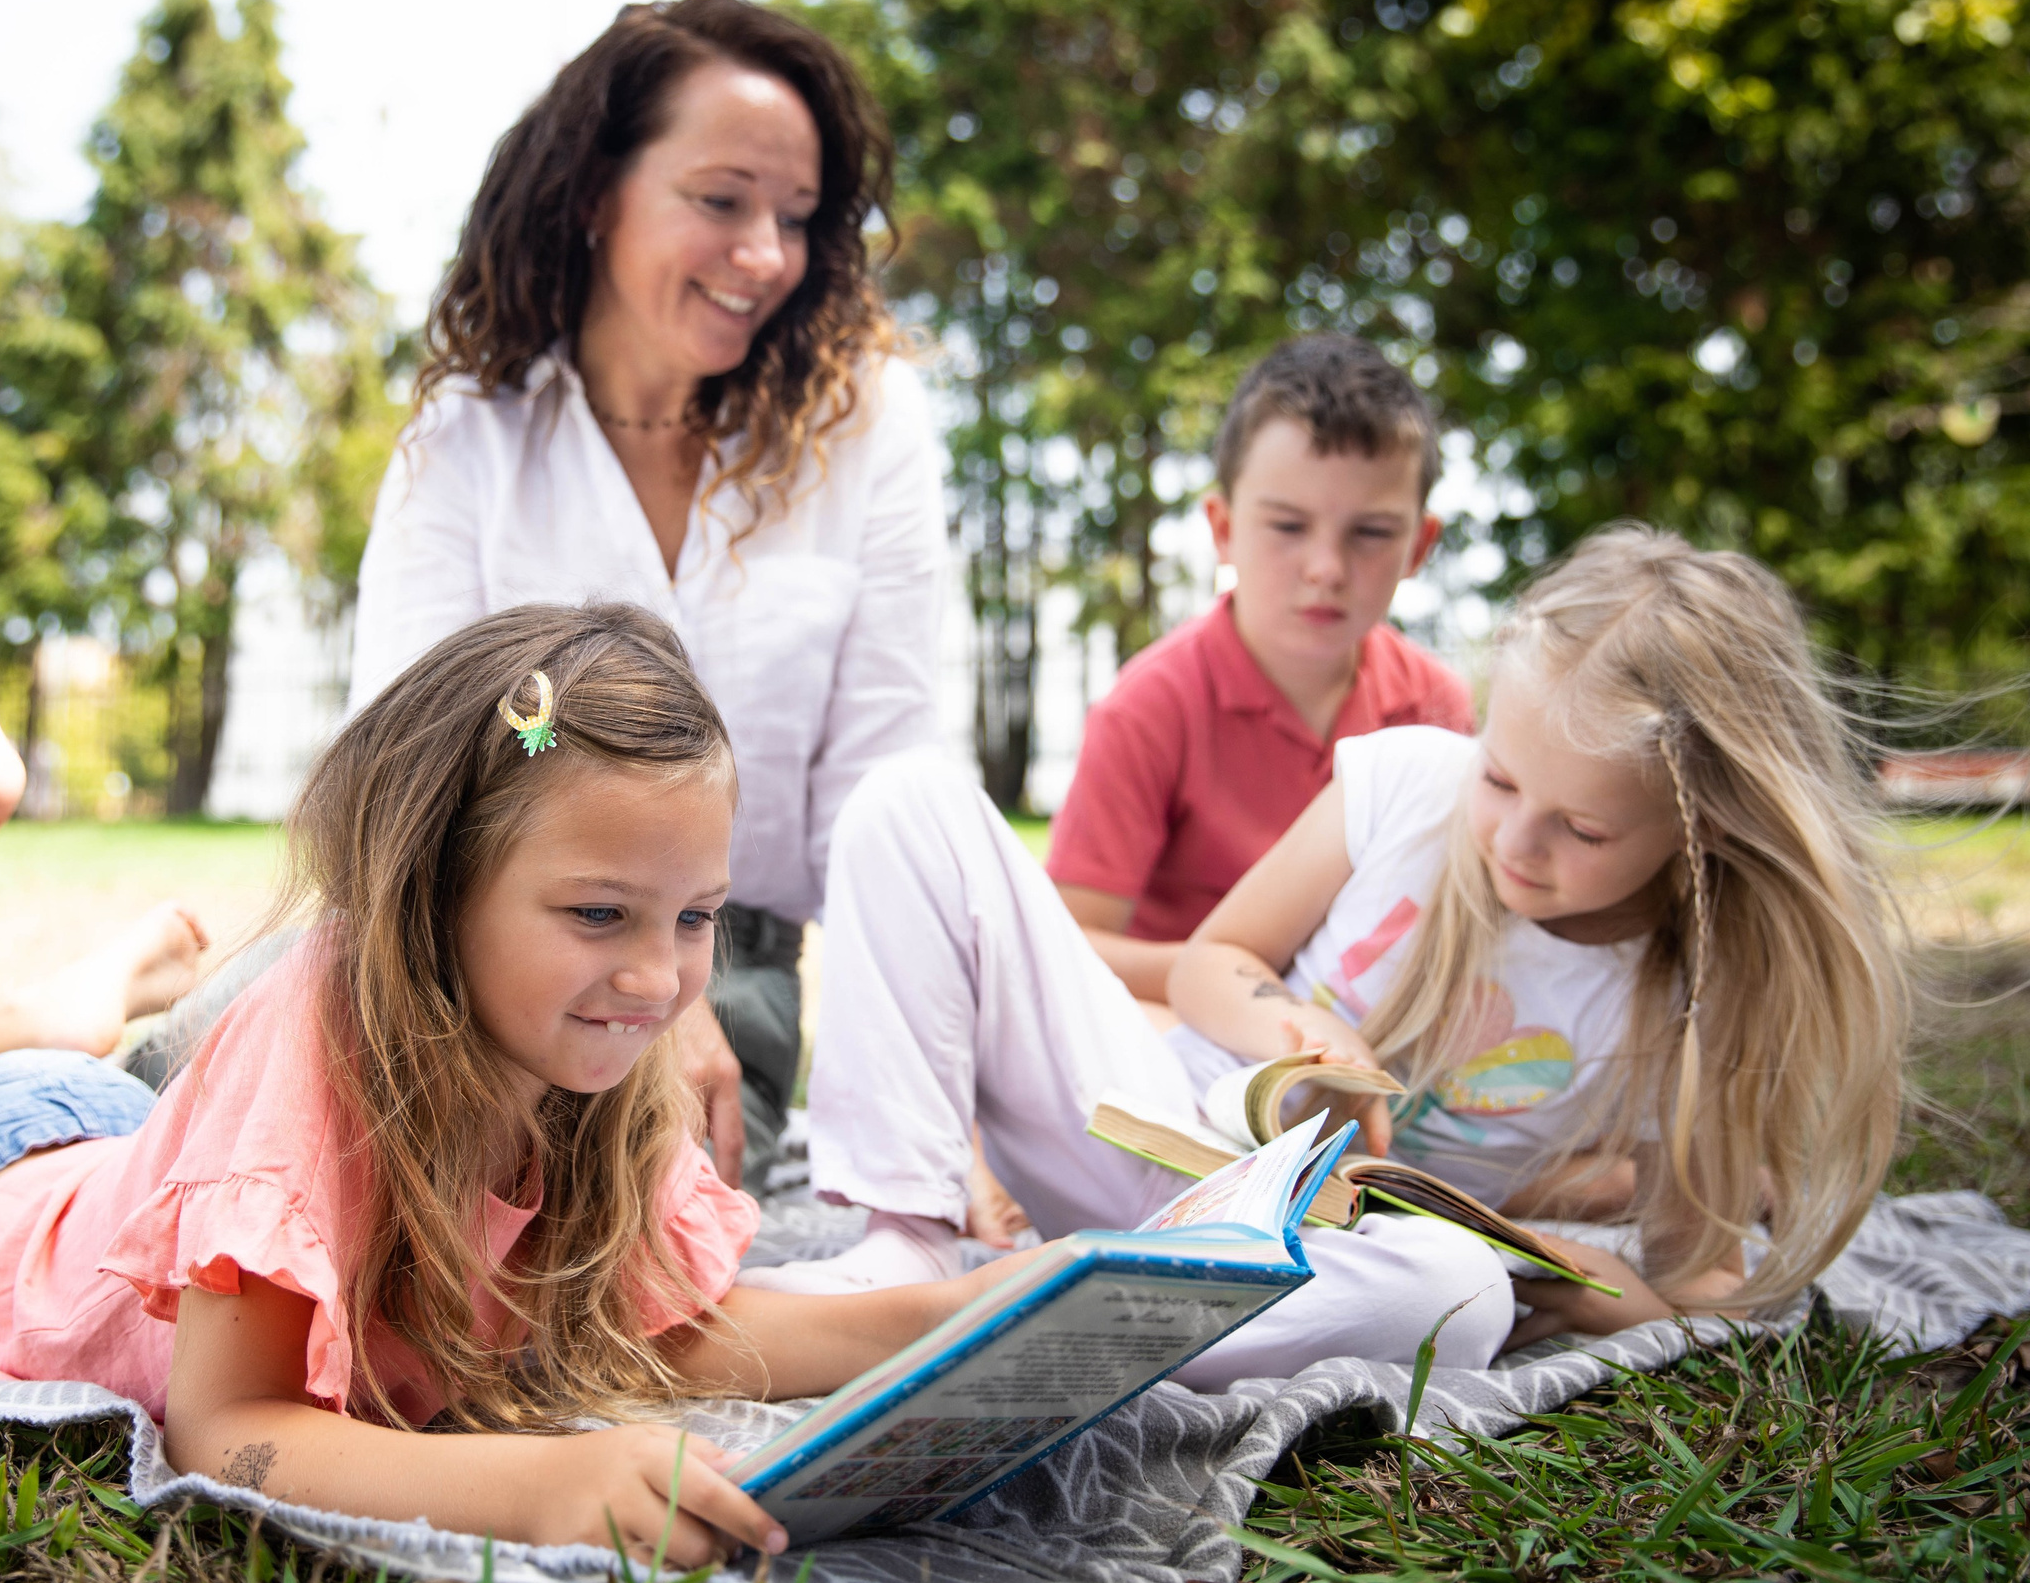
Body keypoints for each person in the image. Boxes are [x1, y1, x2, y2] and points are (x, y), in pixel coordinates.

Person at [0, 606, 1030, 1567]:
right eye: (601, 914)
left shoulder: (590, 1067)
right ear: (435, 892)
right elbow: (229, 1424)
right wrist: (542, 1485)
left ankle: (28, 1032)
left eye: (696, 914)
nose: (659, 974)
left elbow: (669, 1326)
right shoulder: (325, 1034)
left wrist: (939, 1312)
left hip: (113, 1158)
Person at [760, 528, 1905, 1384]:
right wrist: (1294, 1033)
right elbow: (1217, 961)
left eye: (1585, 829)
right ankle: (904, 1252)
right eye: (1501, 780)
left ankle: (1067, 1311)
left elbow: (1701, 1275)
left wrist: (1615, 1298)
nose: (1514, 841)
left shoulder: (1685, 998)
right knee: (908, 800)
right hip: (1153, 1121)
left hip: (1314, 1256)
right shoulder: (1410, 783)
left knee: (1460, 1302)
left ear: (1696, 838)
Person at [349, 0, 945, 1194]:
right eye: (720, 201)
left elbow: (891, 806)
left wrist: (934, 1125)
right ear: (592, 192)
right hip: (472, 956)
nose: (765, 254)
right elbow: (396, 778)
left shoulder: (869, 430)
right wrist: (631, 983)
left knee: (585, 1220)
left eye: (795, 215)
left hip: (741, 973)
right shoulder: (470, 442)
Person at [1049, 334, 1473, 1012]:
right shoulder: (1151, 705)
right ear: (1222, 527)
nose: (1326, 568)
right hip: (1182, 1048)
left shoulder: (1435, 707)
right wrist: (1254, 987)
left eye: (1370, 533)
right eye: (1286, 525)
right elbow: (1069, 943)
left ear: (1420, 545)